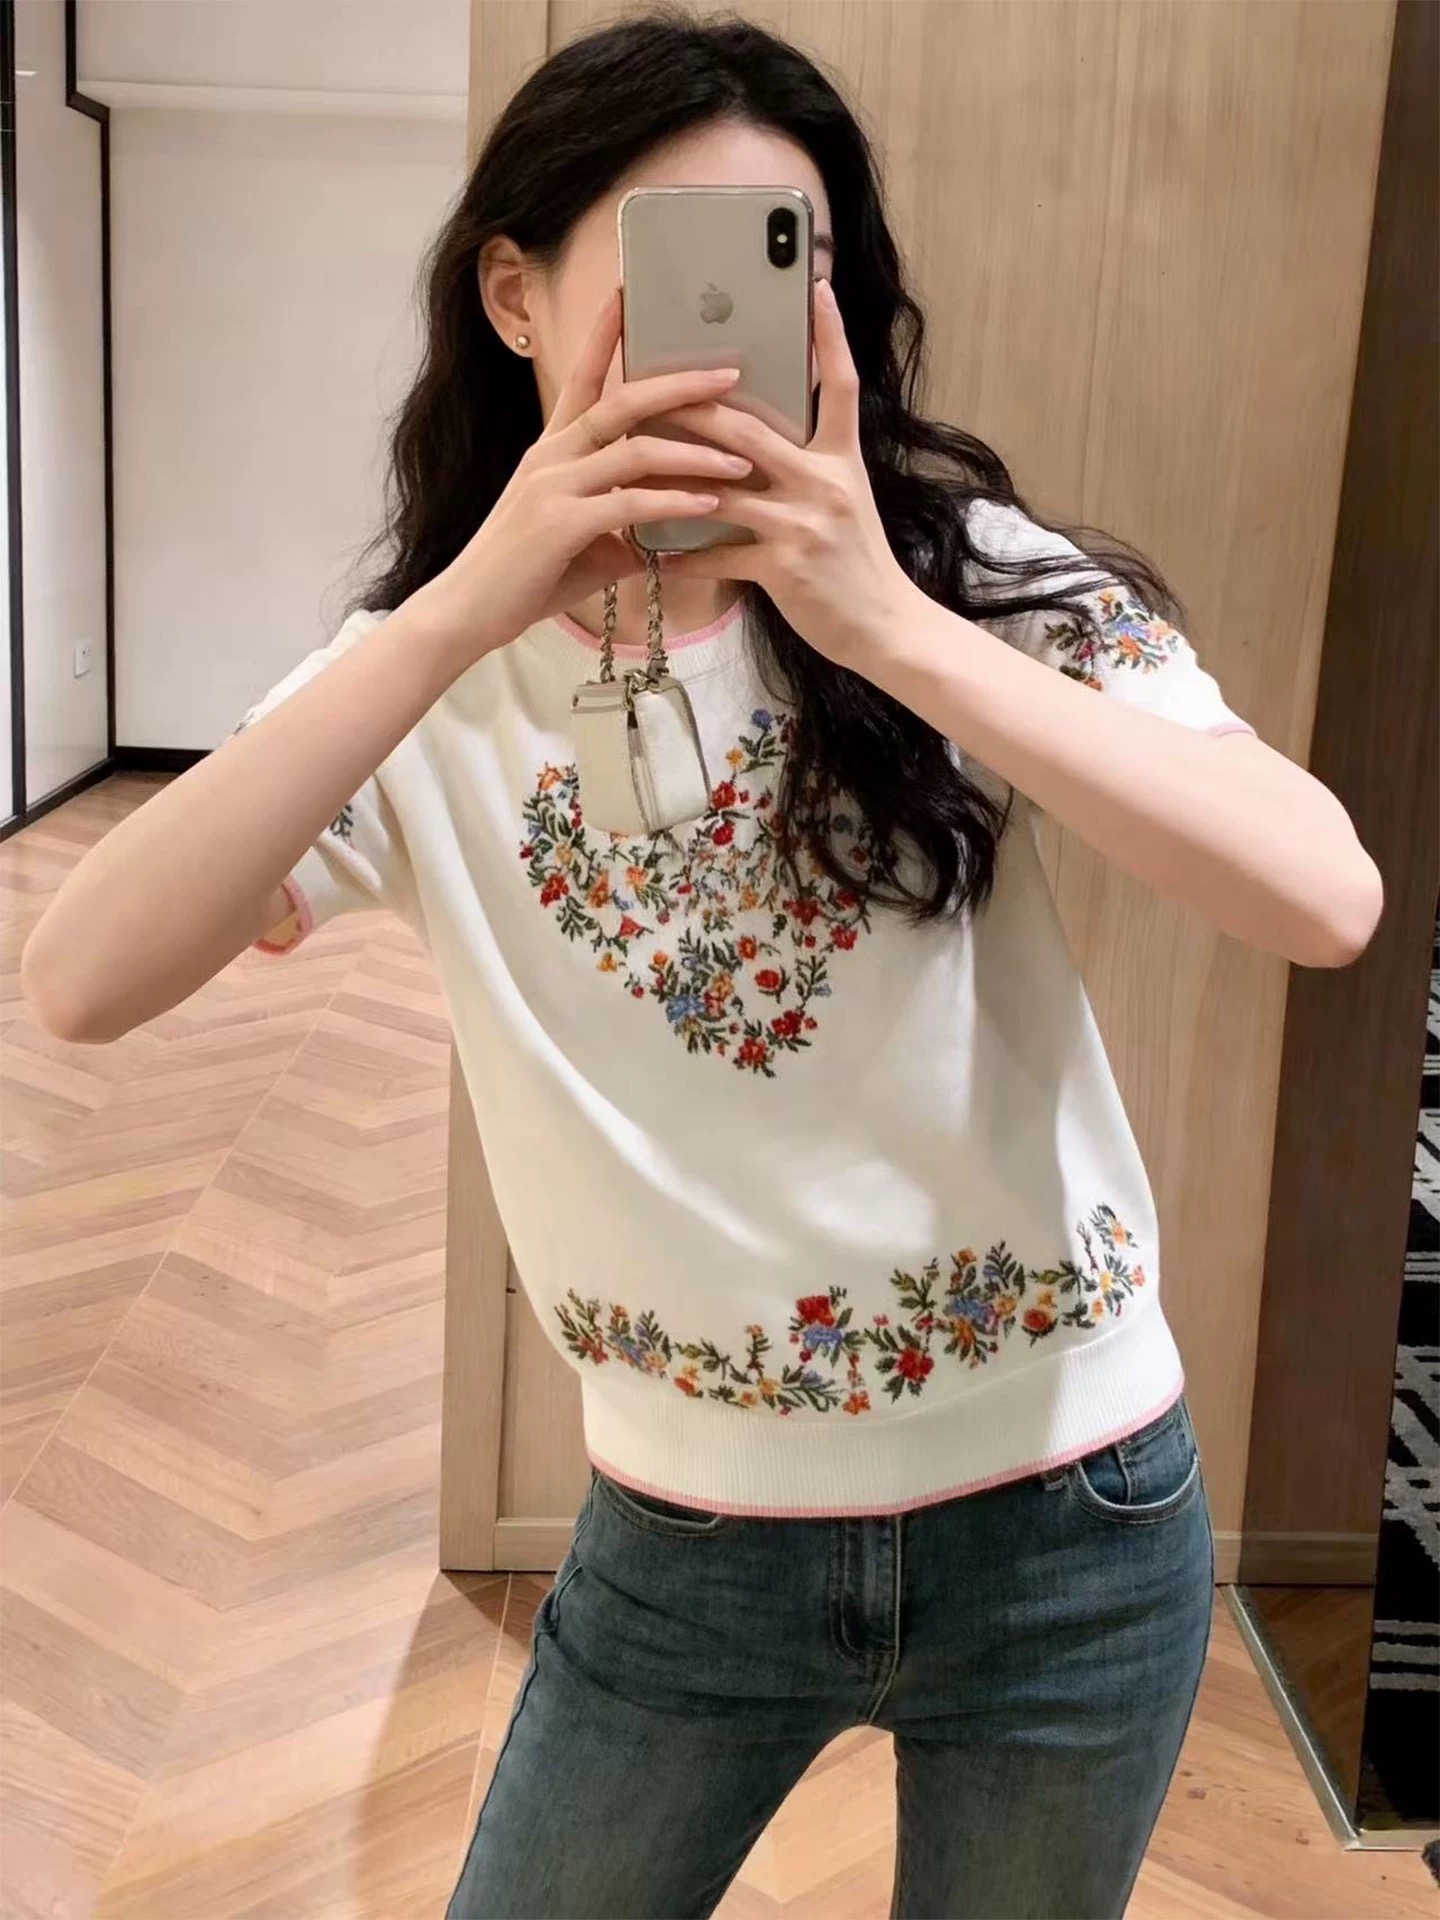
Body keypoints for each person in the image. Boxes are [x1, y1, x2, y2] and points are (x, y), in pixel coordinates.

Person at [21, 11, 1382, 1918]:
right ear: (515, 292)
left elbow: (1325, 896)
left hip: (1071, 1518)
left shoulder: (958, 581)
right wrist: (456, 616)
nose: (728, 328)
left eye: (783, 259)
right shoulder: (423, 679)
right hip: (684, 1548)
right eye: (671, 260)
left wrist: (884, 622)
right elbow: (80, 979)